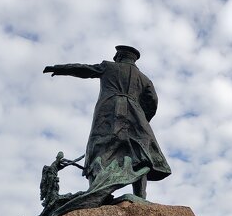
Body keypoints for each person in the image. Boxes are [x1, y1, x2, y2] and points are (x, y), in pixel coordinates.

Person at [44, 45, 170, 198]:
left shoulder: (108, 67)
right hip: (135, 115)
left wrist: (58, 69)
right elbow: (152, 102)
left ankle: (96, 192)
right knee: (140, 154)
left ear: (119, 57)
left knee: (99, 148)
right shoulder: (144, 79)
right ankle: (140, 196)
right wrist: (142, 119)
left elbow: (84, 70)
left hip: (108, 111)